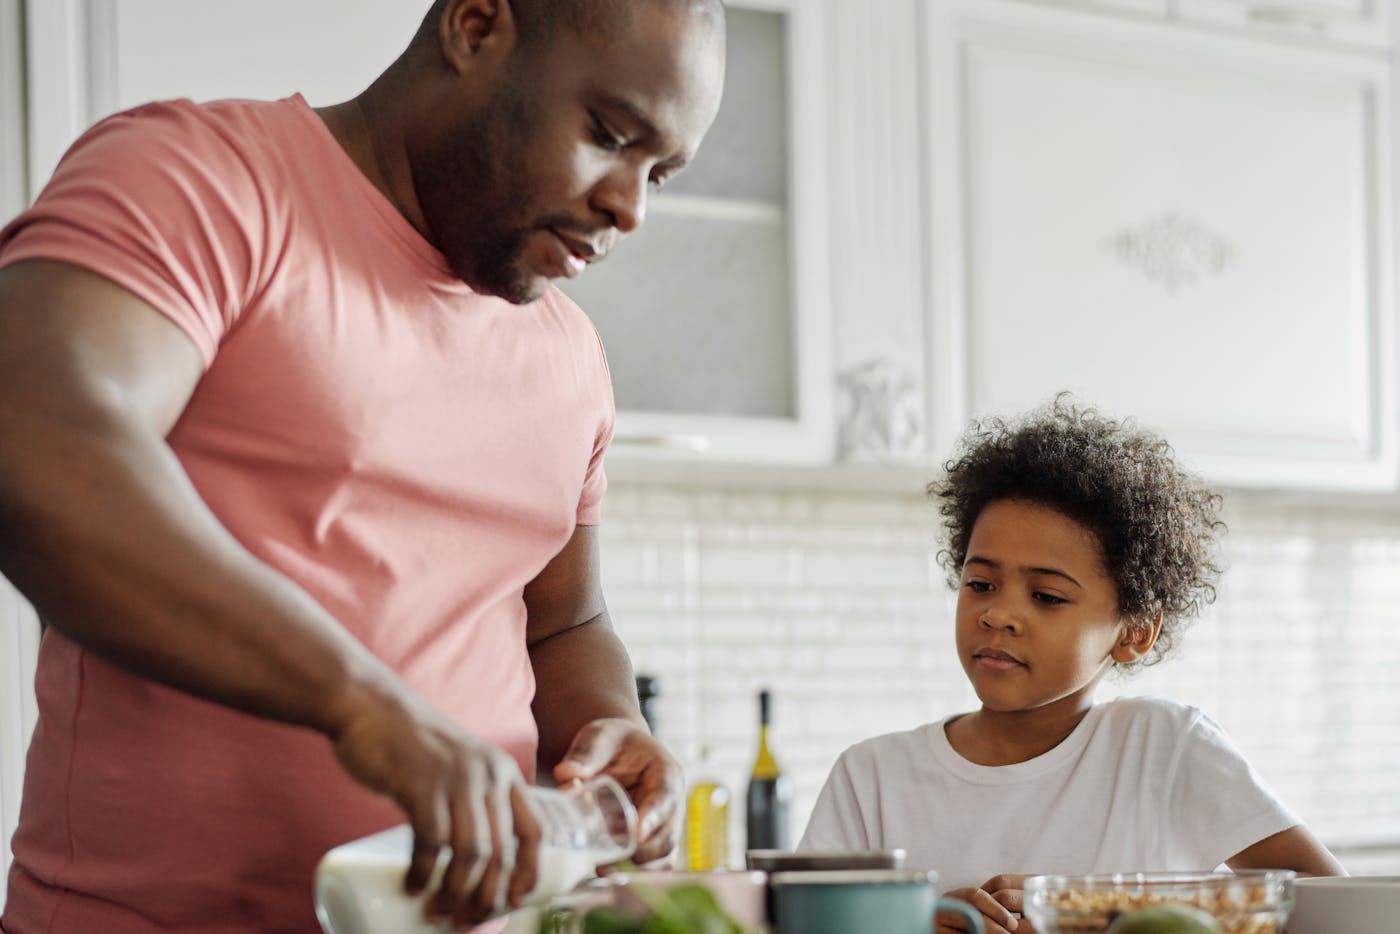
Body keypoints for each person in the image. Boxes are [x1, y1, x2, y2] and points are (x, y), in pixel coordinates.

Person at [0, 0, 725, 931]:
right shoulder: (205, 178)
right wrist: (367, 709)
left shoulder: (570, 352)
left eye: (658, 172)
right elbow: (35, 443)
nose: (629, 205)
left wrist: (611, 726)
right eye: (609, 135)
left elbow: (565, 624)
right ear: (474, 25)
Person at [797, 395, 1345, 934]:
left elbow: (1335, 908)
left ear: (1134, 632)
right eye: (981, 584)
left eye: (1048, 597)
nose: (998, 614)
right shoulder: (870, 778)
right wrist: (910, 925)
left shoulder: (1166, 747)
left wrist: (1091, 912)